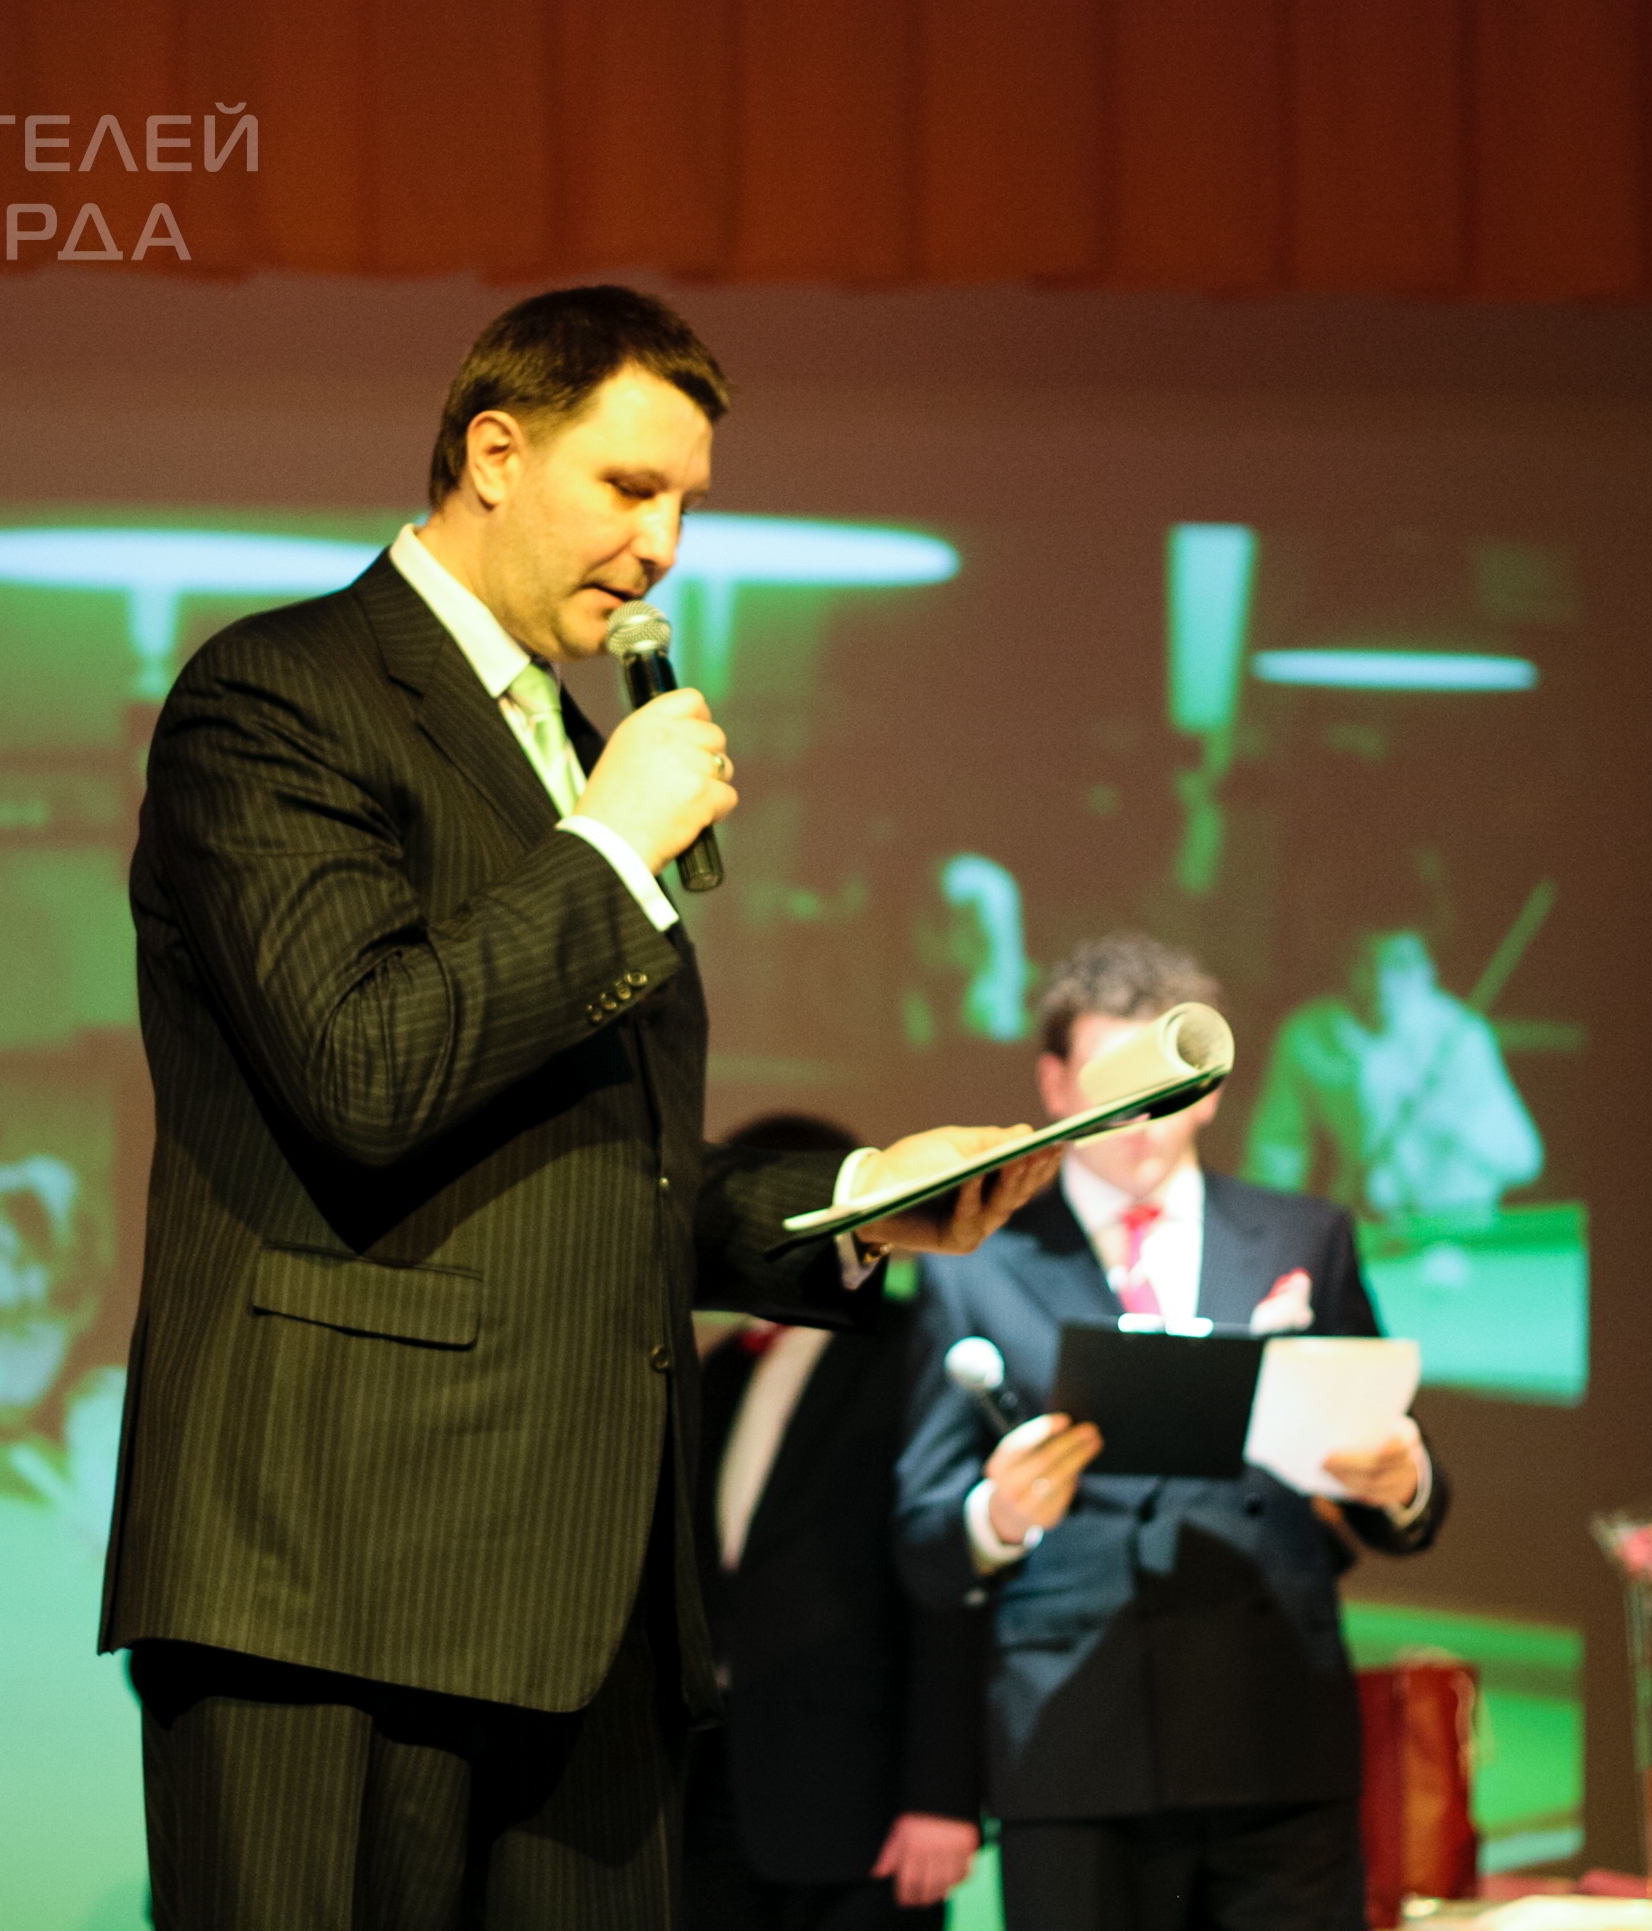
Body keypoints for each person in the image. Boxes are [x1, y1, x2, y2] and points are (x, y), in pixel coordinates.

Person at [100, 285, 1057, 1929]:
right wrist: (611, 850)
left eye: (688, 501)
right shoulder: (278, 696)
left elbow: (609, 1179)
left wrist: (856, 1200)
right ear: (495, 454)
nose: (665, 543)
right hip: (333, 1576)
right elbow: (365, 1066)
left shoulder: (568, 739)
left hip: (588, 1604)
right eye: (630, 485)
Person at [895, 933, 1451, 1931]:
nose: (1139, 1118)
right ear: (1055, 1085)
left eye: (1165, 1081)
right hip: (1074, 1740)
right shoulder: (976, 1262)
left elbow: (1399, 1486)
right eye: (1111, 1080)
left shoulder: (1302, 1236)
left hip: (1276, 1731)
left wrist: (1400, 1477)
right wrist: (999, 1513)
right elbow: (924, 1539)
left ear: (1209, 1086)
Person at [684, 1113, 988, 1931]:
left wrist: (943, 1795)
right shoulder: (720, 1367)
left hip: (859, 1789)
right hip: (714, 1776)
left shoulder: (913, 1349)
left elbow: (946, 1576)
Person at [1242, 929, 1542, 1222]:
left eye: (1400, 964)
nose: (1382, 982)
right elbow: (1276, 1150)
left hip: (1457, 1227)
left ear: (1428, 970)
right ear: (1343, 964)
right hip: (1362, 1221)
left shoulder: (1463, 1036)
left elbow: (1523, 1161)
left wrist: (1450, 1116)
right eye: (1366, 963)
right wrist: (1262, 1227)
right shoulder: (1306, 1036)